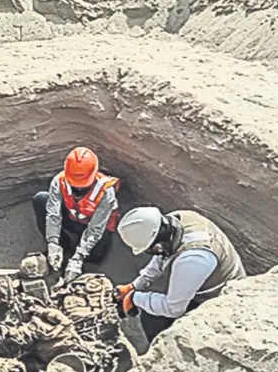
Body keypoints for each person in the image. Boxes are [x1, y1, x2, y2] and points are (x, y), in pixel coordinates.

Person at [114, 206, 247, 344]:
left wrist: (134, 298)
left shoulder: (193, 260)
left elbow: (173, 309)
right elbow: (161, 258)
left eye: (149, 250)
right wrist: (135, 286)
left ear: (158, 244)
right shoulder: (175, 221)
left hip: (221, 298)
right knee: (154, 305)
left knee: (156, 323)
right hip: (204, 277)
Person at [32, 147, 121, 281]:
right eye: (75, 185)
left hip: (96, 227)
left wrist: (79, 256)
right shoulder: (59, 180)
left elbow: (95, 229)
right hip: (73, 217)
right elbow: (53, 215)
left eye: (83, 185)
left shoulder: (106, 191)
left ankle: (82, 262)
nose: (78, 189)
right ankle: (63, 246)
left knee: (95, 255)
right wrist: (53, 242)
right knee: (41, 199)